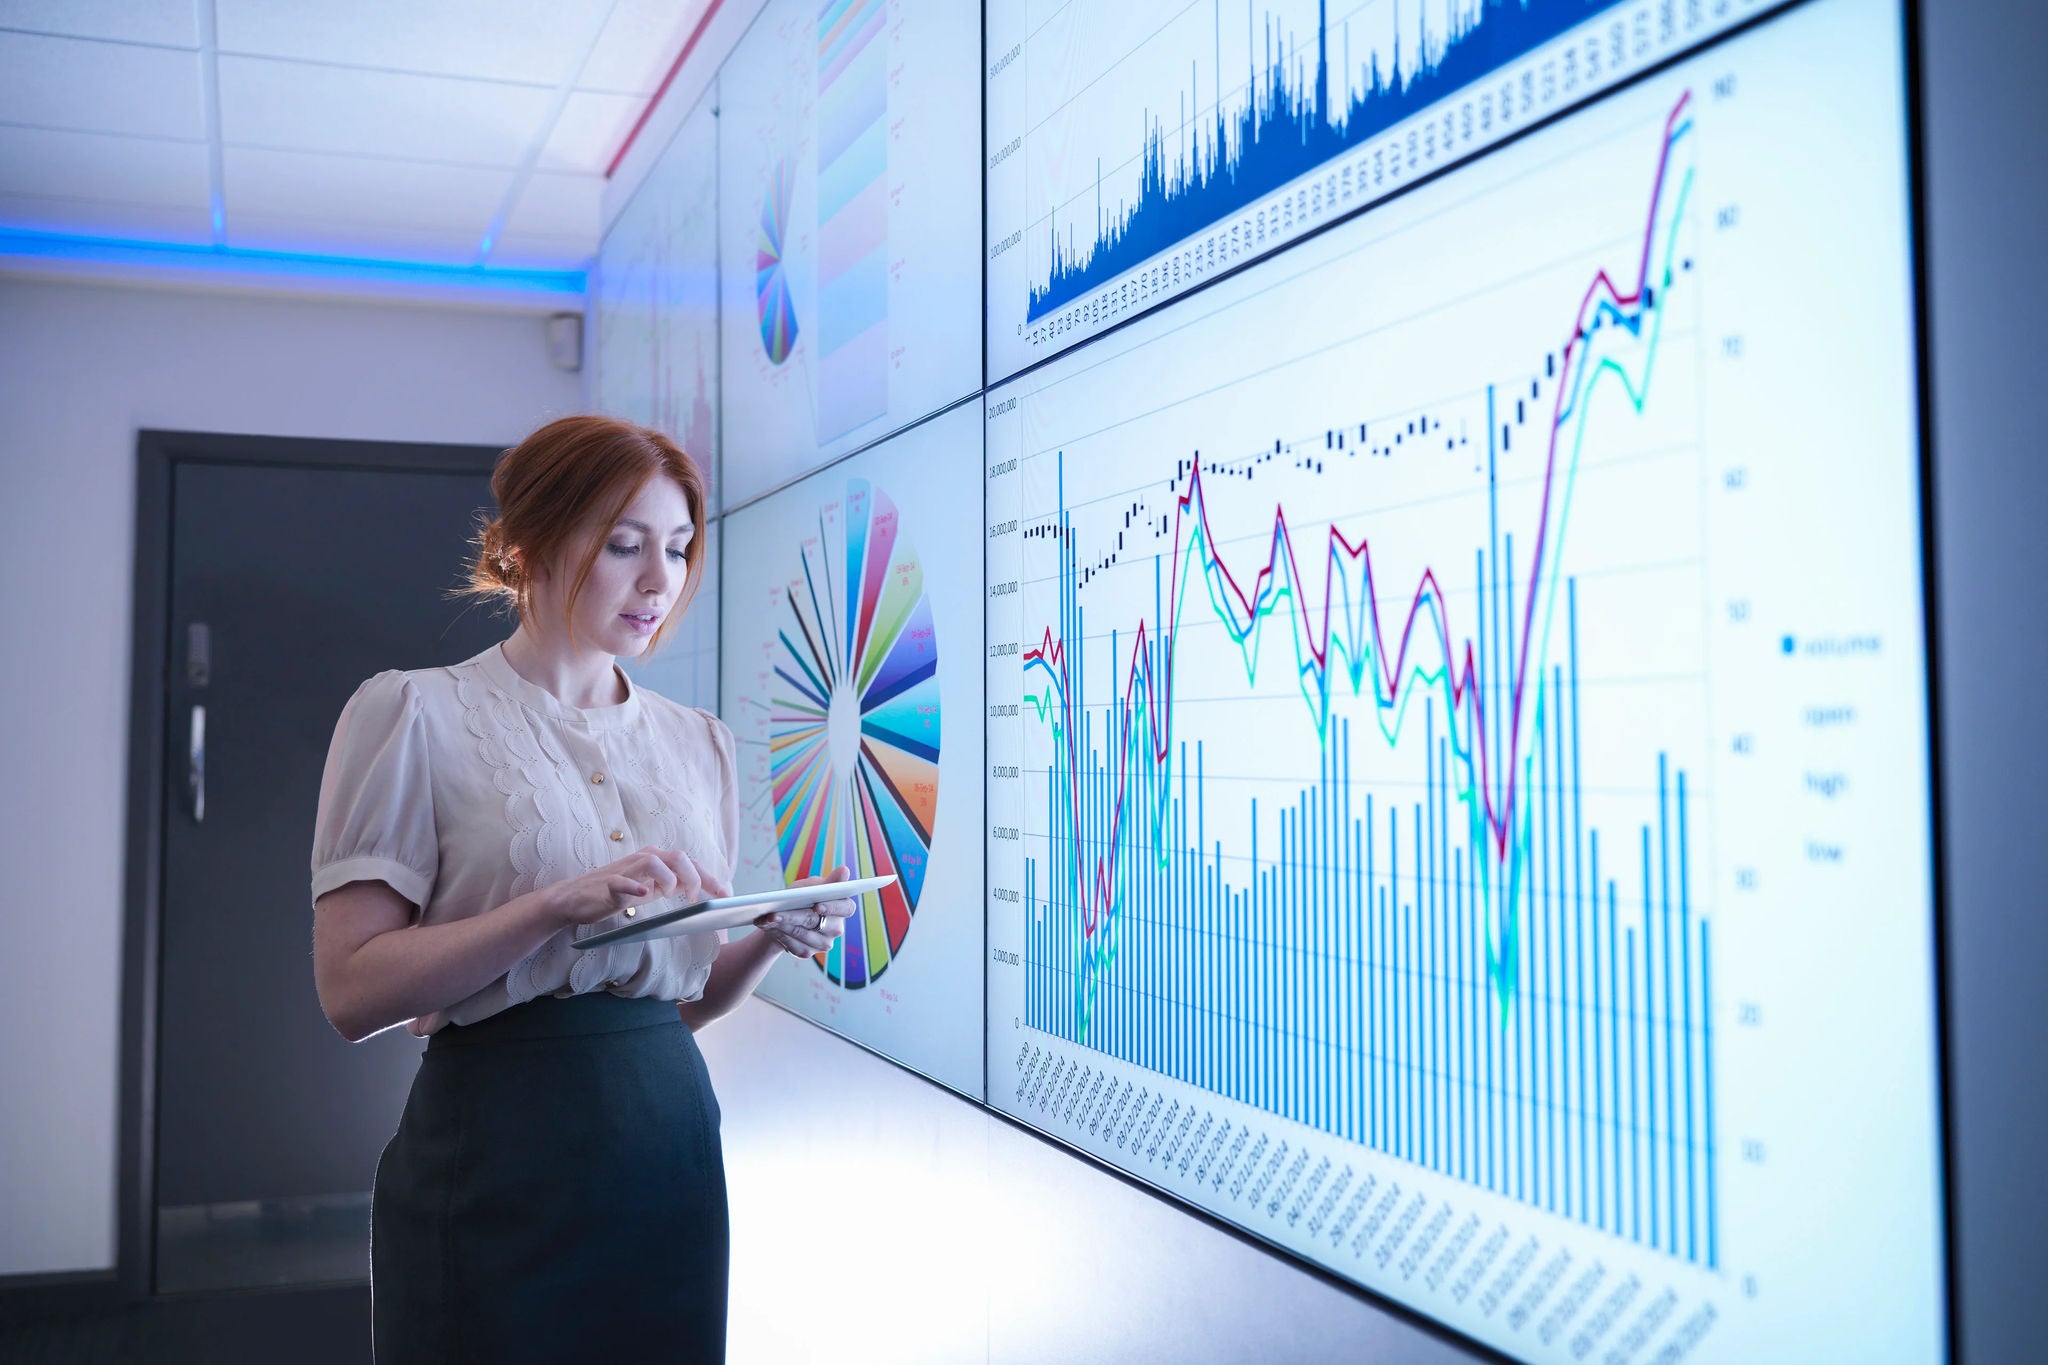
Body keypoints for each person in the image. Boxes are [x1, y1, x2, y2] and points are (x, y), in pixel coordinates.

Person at [309, 414, 852, 1362]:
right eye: (624, 544)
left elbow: (681, 1003)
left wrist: (767, 932)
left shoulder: (699, 744)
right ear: (528, 545)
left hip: (670, 1154)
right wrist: (552, 906)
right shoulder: (415, 713)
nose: (659, 581)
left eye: (677, 548)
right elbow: (350, 992)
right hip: (495, 1156)